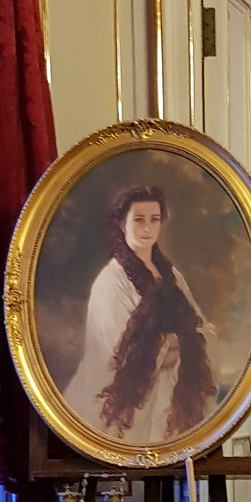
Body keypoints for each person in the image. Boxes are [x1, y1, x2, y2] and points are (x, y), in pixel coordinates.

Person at [64, 184, 218, 445]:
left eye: (154, 219)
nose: (147, 228)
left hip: (174, 392)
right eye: (139, 220)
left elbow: (201, 327)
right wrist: (173, 343)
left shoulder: (171, 275)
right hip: (127, 400)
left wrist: (183, 342)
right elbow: (116, 353)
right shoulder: (110, 282)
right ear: (122, 224)